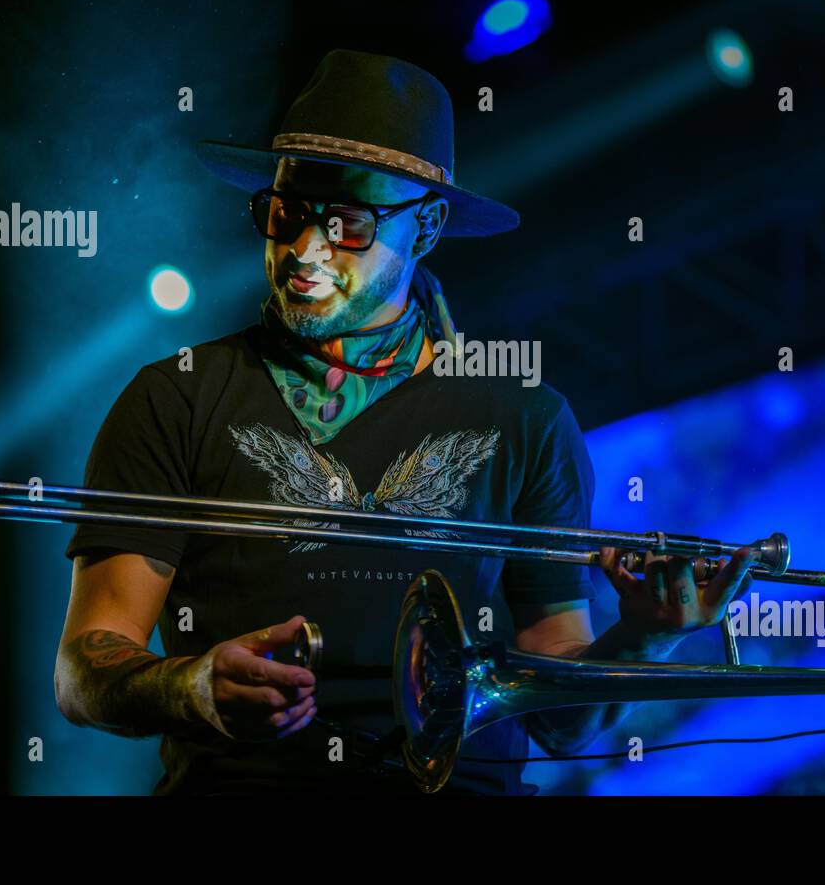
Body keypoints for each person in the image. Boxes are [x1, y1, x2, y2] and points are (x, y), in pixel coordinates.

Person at [54, 49, 755, 795]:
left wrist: (644, 636)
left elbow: (563, 723)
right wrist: (189, 686)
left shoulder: (525, 414)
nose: (304, 251)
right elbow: (81, 671)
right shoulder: (176, 397)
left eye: (349, 222)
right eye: (286, 213)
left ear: (426, 228)